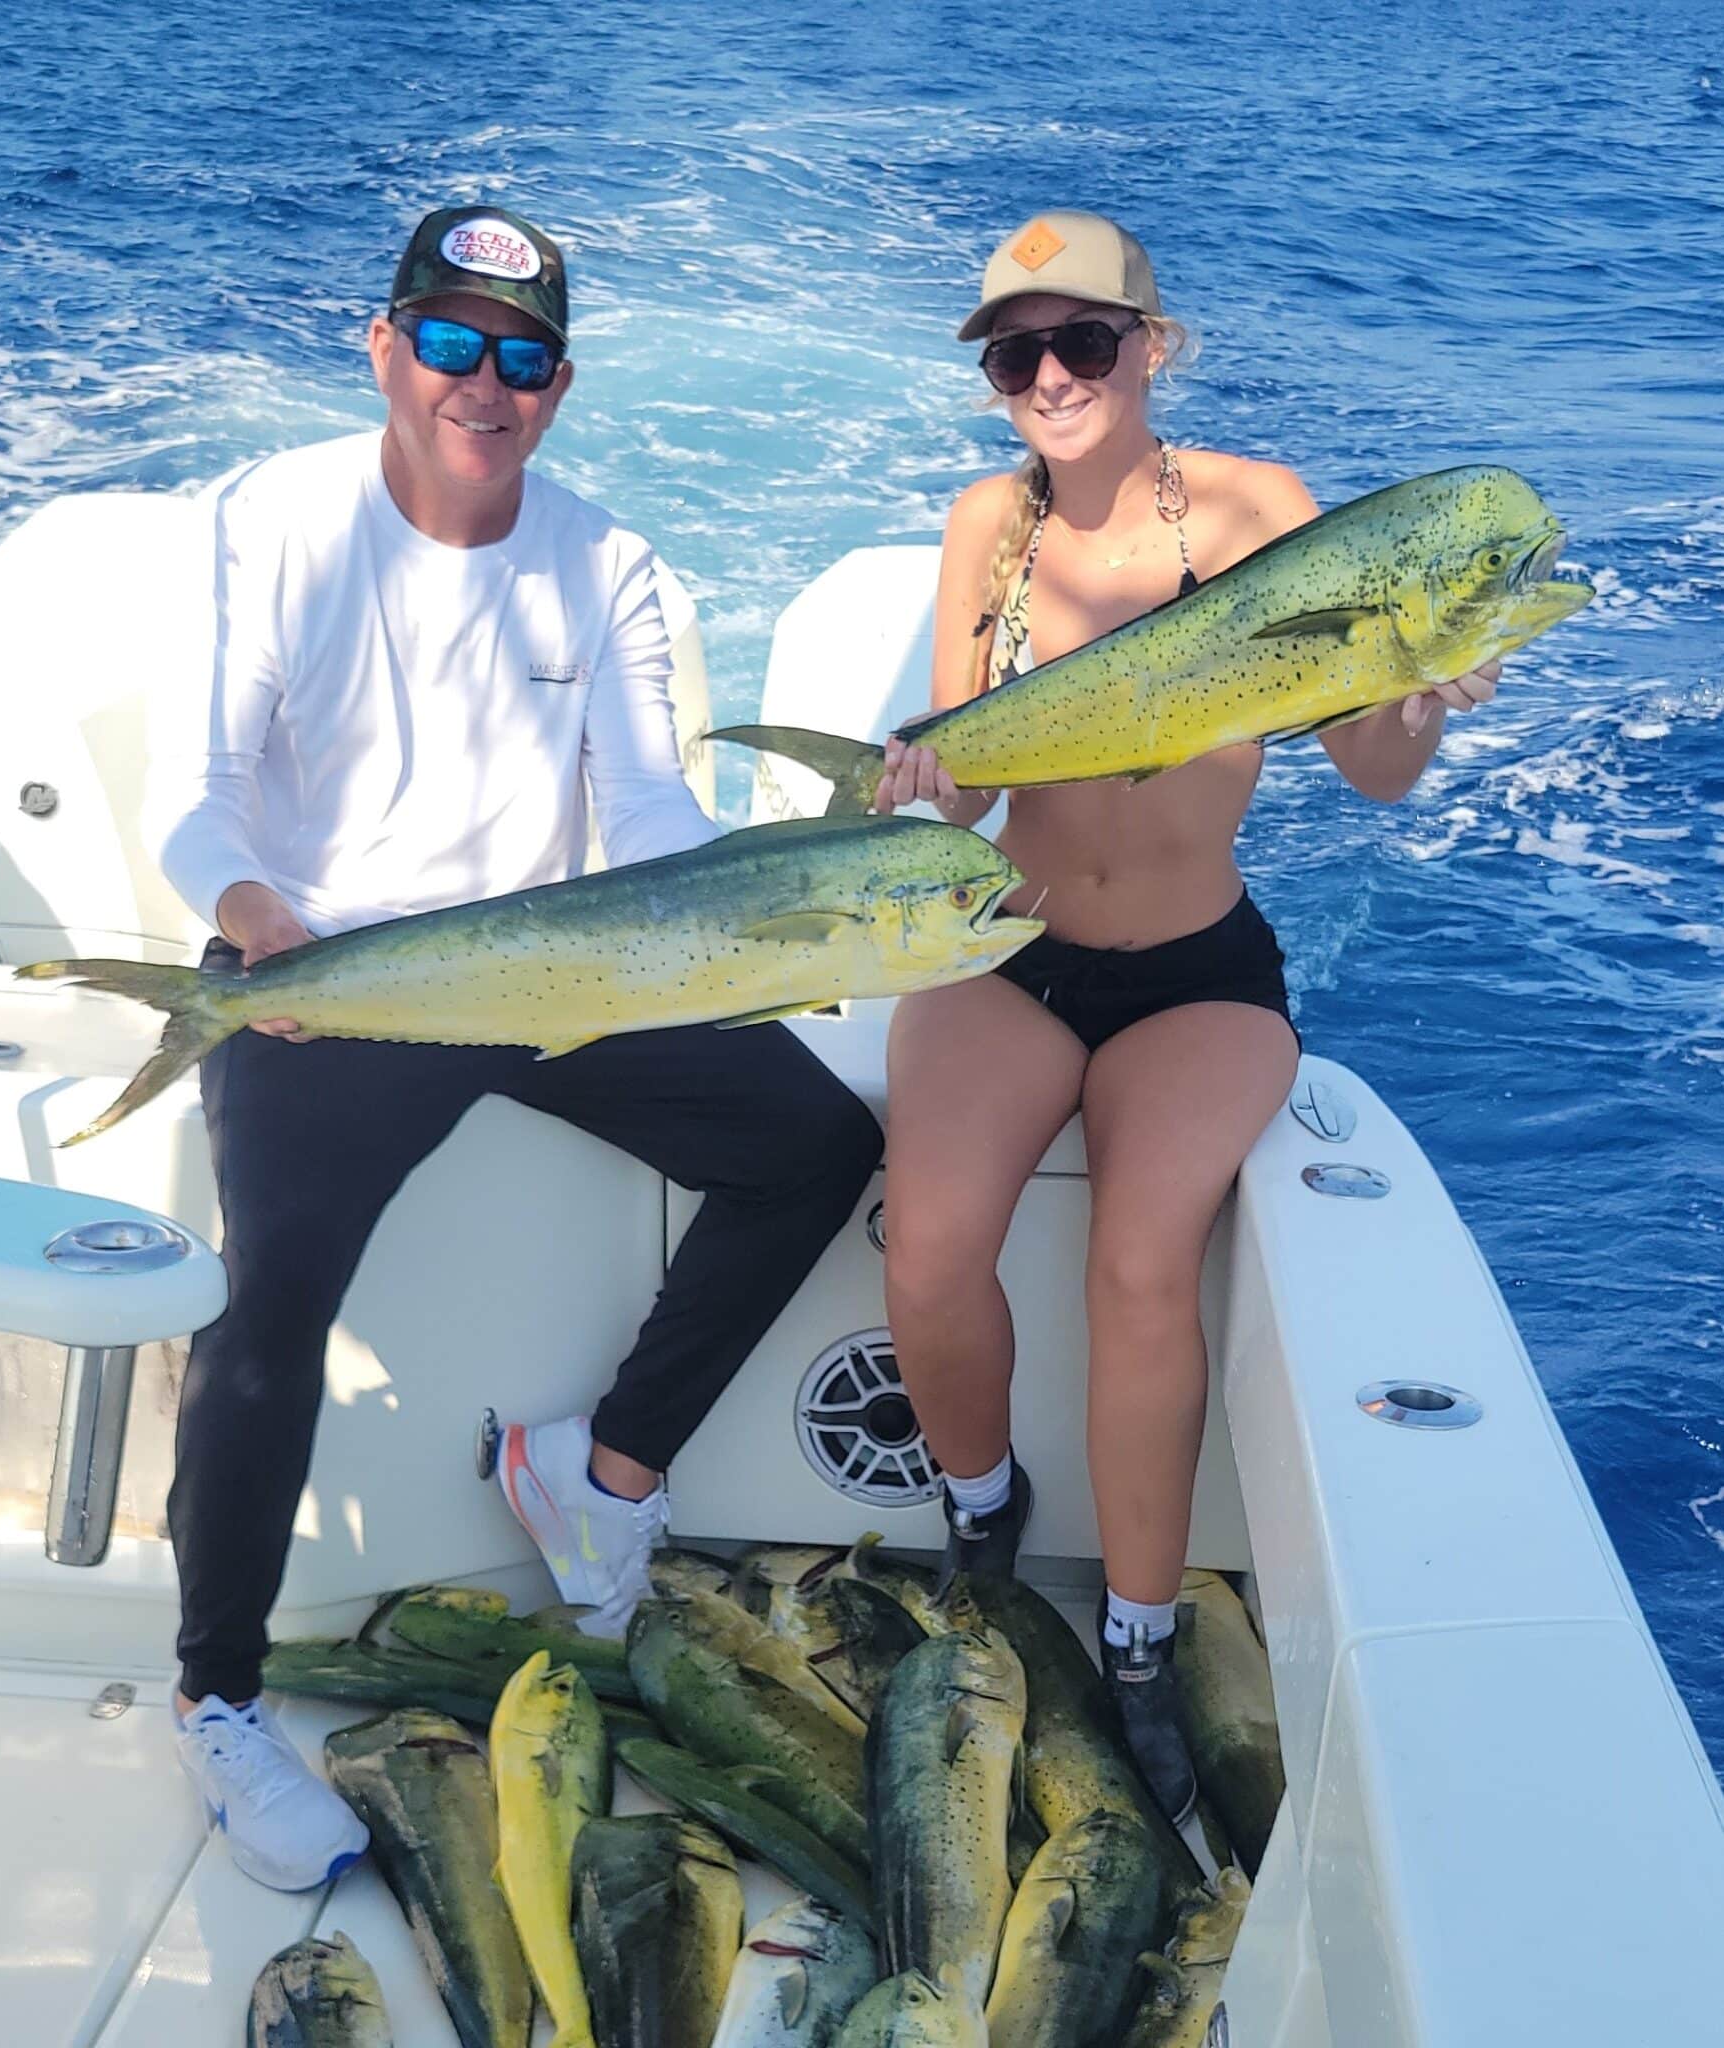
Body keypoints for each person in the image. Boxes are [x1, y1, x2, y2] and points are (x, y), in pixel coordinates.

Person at [147, 203, 882, 1891]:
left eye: (527, 359)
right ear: (389, 345)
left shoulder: (609, 560)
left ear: (558, 387)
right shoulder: (270, 518)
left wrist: (738, 916)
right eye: (458, 345)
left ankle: (604, 1469)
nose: (489, 384)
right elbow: (198, 796)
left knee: (819, 1143)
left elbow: (642, 808)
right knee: (268, 1307)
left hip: (555, 968)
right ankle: (217, 1700)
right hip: (332, 963)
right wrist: (260, 920)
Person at [873, 210, 1501, 1823]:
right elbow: (964, 798)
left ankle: (1140, 1636)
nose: (1054, 375)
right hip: (1008, 947)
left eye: (1086, 340)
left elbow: (1370, 771)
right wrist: (922, 784)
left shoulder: (1253, 510)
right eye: (1019, 353)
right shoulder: (980, 528)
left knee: (1143, 1260)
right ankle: (982, 1507)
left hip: (1197, 972)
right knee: (929, 1246)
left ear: (1152, 346)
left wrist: (1417, 688)